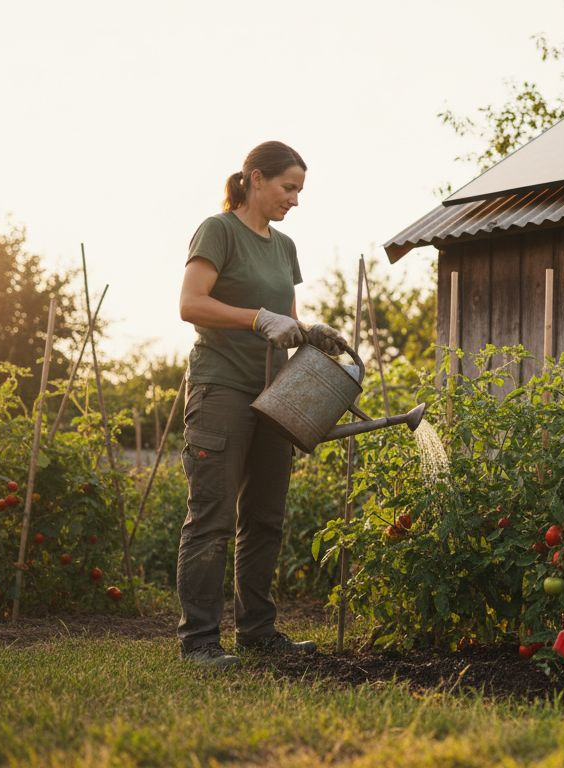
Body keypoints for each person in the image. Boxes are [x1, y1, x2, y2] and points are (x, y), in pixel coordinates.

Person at [176, 140, 347, 668]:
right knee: (212, 515)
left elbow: (287, 321)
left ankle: (257, 631)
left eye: (299, 190)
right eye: (287, 187)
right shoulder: (218, 230)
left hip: (276, 393)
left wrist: (308, 332)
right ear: (254, 178)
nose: (294, 199)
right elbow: (191, 303)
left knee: (265, 517)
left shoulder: (284, 246)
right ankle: (200, 641)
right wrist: (256, 318)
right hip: (221, 387)